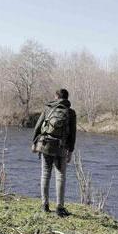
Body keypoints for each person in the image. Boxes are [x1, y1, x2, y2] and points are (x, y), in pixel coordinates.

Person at [31, 88, 77, 217]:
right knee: (60, 177)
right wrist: (70, 151)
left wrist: (34, 143)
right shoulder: (70, 112)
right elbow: (72, 134)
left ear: (56, 97)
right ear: (67, 98)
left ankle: (44, 205)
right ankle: (60, 208)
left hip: (45, 145)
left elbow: (38, 127)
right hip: (61, 148)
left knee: (45, 174)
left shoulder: (48, 109)